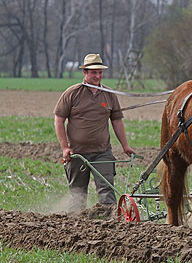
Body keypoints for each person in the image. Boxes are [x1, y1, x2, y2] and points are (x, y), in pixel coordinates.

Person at [54, 53, 135, 212]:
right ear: (85, 72)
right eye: (94, 72)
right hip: (77, 153)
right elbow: (58, 120)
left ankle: (109, 224)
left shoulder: (109, 94)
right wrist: (65, 148)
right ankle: (77, 225)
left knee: (107, 192)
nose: (98, 76)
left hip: (102, 152)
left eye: (100, 72)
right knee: (78, 194)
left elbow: (117, 121)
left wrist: (125, 146)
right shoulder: (72, 93)